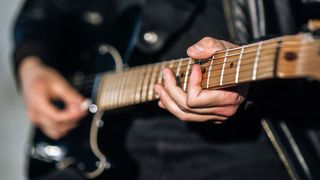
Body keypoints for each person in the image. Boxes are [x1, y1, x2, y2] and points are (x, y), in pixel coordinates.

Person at [12, 0, 320, 179]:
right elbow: (44, 8)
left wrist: (253, 86)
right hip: (102, 142)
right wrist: (31, 61)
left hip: (250, 148)